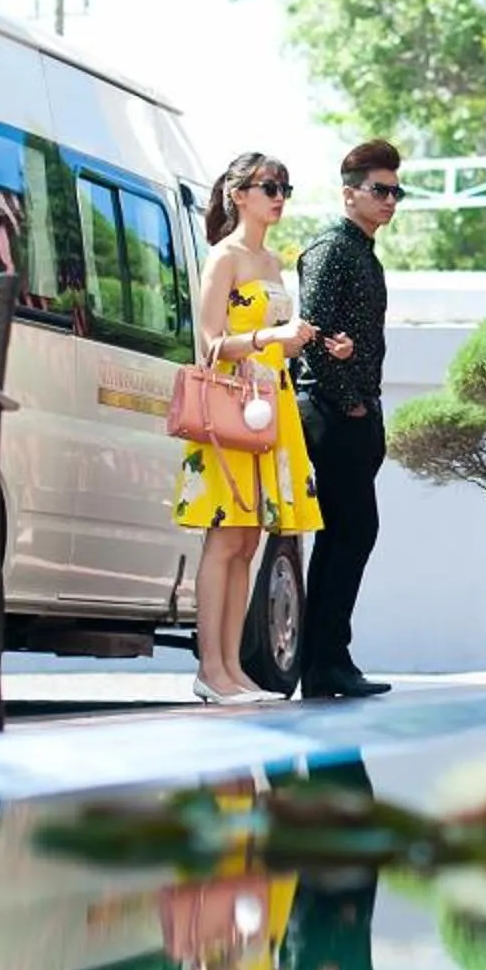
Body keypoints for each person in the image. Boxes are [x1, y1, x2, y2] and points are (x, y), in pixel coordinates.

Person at [175, 150, 348, 702]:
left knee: (249, 542)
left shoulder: (274, 264)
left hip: (270, 405)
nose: (278, 197)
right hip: (231, 409)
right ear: (239, 194)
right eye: (268, 186)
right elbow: (207, 343)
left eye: (284, 187)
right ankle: (211, 668)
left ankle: (232, 670)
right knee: (224, 539)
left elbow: (276, 336)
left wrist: (313, 340)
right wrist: (268, 340)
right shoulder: (223, 258)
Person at [292, 139, 400, 700]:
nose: (390, 201)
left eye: (395, 191)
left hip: (357, 412)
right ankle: (326, 660)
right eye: (379, 190)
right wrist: (348, 400)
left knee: (346, 534)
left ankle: (327, 660)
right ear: (349, 193)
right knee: (352, 531)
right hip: (333, 413)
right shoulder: (332, 250)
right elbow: (309, 333)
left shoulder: (363, 251)